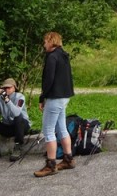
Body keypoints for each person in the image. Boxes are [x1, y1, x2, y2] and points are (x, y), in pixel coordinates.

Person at [34, 31, 75, 177]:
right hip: (64, 96)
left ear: (51, 42)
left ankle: (51, 165)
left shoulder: (52, 57)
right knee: (61, 128)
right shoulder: (63, 55)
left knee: (49, 130)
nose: (44, 44)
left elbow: (48, 80)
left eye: (45, 41)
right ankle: (68, 159)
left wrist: (42, 97)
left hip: (55, 97)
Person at [0, 77, 31, 162]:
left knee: (18, 117)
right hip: (8, 127)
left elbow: (16, 113)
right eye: (4, 88)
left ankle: (18, 147)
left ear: (14, 88)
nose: (6, 89)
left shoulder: (20, 97)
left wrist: (7, 100)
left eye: (9, 87)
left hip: (21, 127)